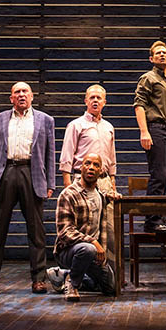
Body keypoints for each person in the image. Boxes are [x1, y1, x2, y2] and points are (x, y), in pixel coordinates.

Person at [0, 82, 55, 294]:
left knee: (36, 231)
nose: (21, 95)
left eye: (24, 91)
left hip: (32, 173)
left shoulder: (45, 120)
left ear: (31, 96)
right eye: (17, 92)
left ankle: (39, 279)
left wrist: (50, 184)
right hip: (6, 172)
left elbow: (50, 154)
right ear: (11, 98)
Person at [59, 84, 117, 260]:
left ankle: (107, 270)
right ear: (86, 101)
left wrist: (112, 182)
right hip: (81, 180)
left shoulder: (109, 127)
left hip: (104, 181)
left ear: (104, 102)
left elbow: (112, 157)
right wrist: (68, 184)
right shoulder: (76, 125)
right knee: (83, 226)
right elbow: (67, 156)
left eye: (99, 98)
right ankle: (80, 268)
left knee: (107, 228)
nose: (95, 100)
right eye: (92, 97)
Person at [47, 153, 116, 302]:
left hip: (92, 254)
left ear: (101, 171)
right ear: (80, 168)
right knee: (87, 249)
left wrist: (113, 196)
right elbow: (65, 232)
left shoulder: (99, 195)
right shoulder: (68, 194)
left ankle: (65, 275)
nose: (91, 167)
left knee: (111, 288)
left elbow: (105, 198)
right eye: (87, 163)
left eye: (96, 165)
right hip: (69, 250)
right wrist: (93, 242)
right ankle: (72, 283)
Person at [134, 40, 166, 232]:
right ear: (151, 58)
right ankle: (151, 222)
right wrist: (144, 131)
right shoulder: (148, 78)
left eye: (164, 52)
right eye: (157, 53)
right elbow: (139, 105)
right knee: (158, 175)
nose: (162, 55)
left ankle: (157, 218)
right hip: (155, 129)